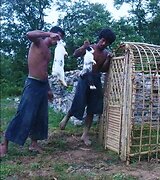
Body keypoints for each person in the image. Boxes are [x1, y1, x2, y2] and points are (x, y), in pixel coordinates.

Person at [0, 27, 65, 157]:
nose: (57, 40)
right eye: (57, 36)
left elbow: (45, 71)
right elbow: (29, 34)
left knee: (40, 116)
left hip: (42, 85)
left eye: (60, 38)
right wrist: (49, 33)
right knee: (24, 114)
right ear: (52, 34)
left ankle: (34, 144)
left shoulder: (49, 52)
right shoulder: (38, 42)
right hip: (32, 83)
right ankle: (4, 144)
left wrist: (48, 89)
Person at [59, 28, 116, 146]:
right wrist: (83, 47)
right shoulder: (90, 48)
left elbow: (104, 69)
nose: (104, 43)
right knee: (79, 100)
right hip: (85, 78)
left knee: (92, 107)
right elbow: (75, 54)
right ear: (100, 38)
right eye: (103, 40)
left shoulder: (106, 54)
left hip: (95, 81)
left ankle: (84, 135)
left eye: (107, 43)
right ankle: (67, 117)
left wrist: (109, 59)